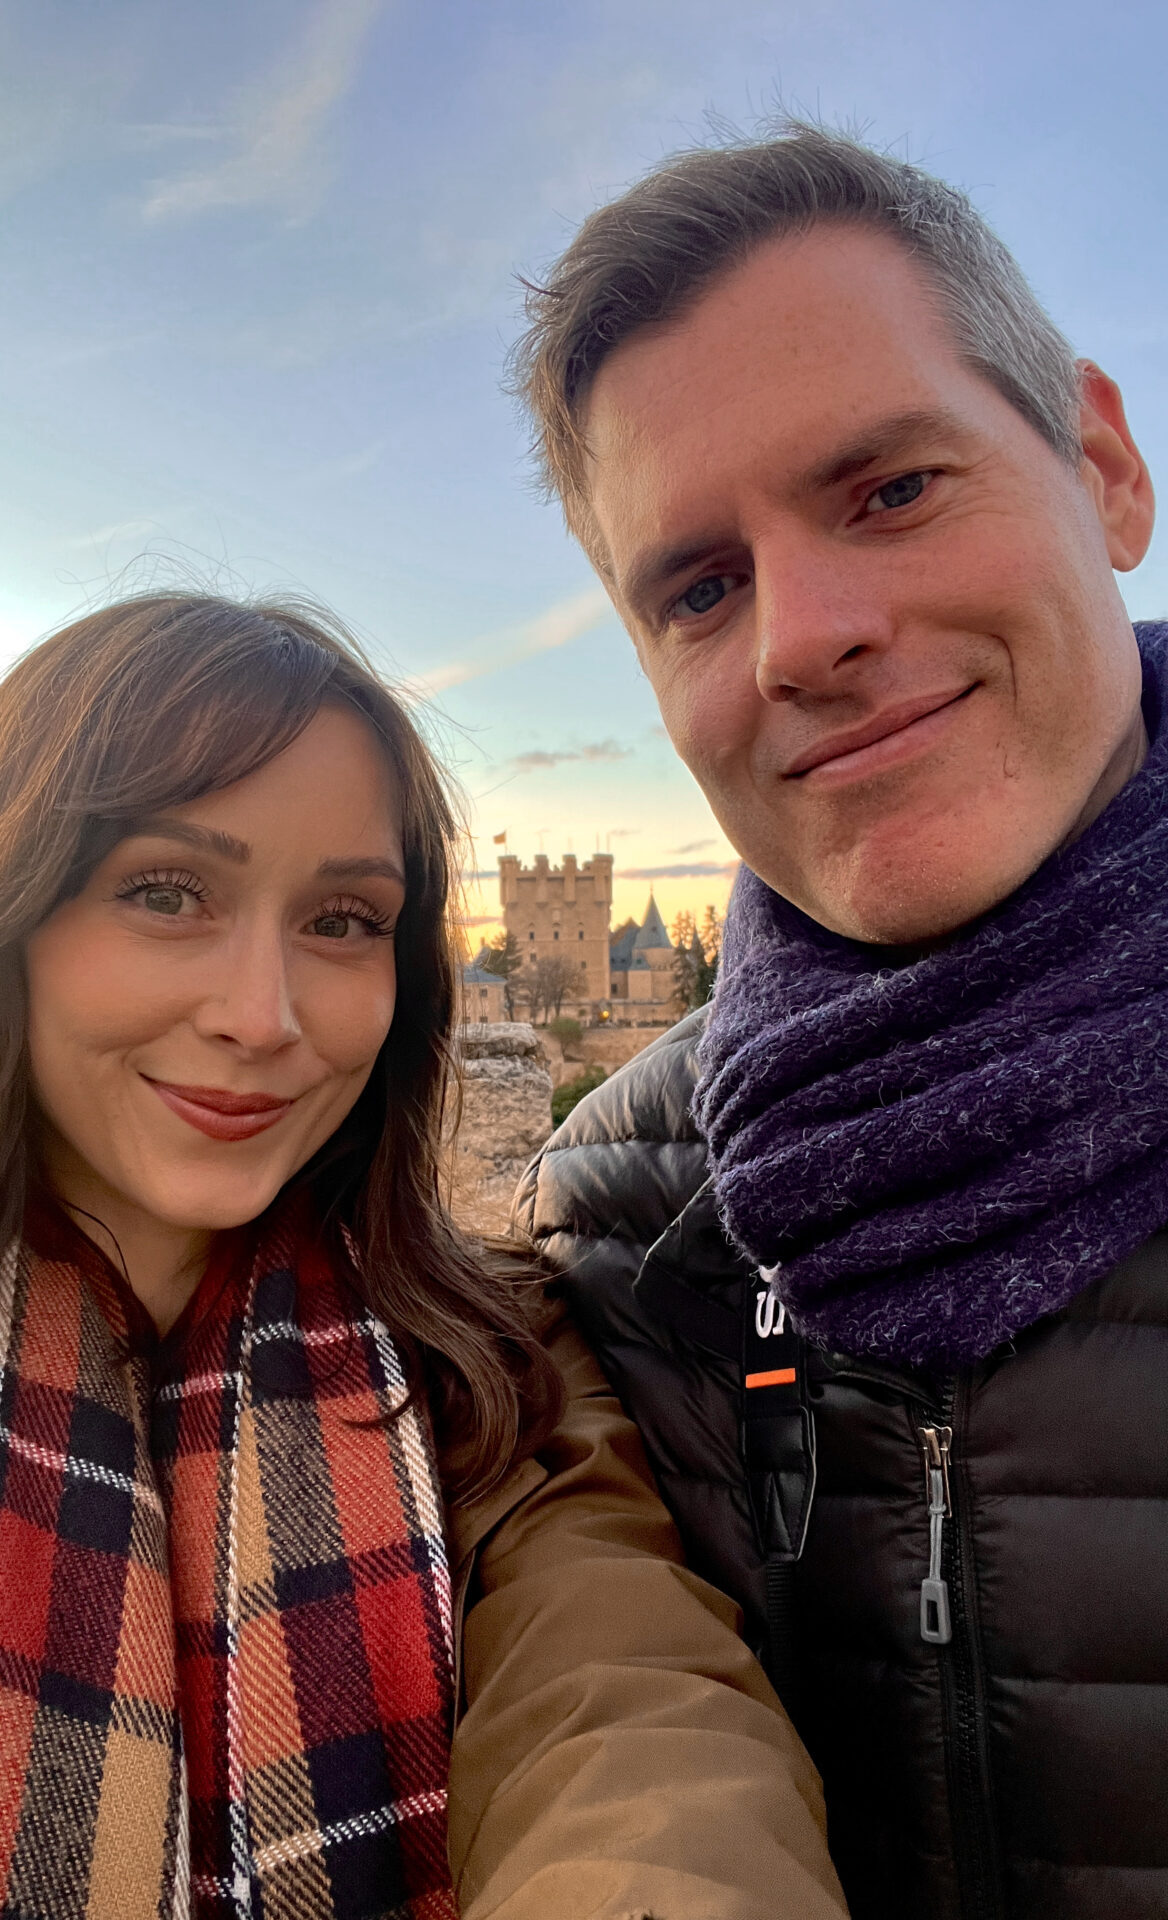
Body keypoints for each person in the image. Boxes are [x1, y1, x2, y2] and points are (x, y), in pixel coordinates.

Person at [0, 593, 846, 1920]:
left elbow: (629, 1719)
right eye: (166, 893)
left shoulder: (488, 1364)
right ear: (0, 911)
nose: (262, 1018)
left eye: (344, 920)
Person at [511, 124, 1168, 1920]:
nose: (803, 636)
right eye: (700, 586)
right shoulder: (624, 1219)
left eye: (889, 489)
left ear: (1104, 467)